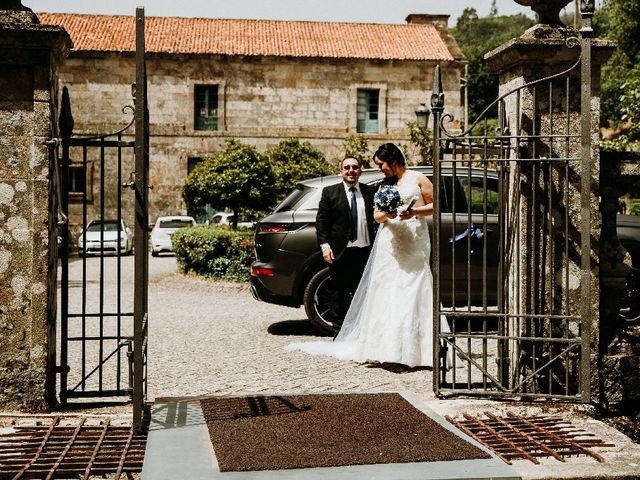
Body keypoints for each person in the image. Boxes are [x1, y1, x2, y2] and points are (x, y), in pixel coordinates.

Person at [287, 143, 449, 368]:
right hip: (389, 244)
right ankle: (387, 347)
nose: (380, 169)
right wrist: (388, 215)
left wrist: (414, 212)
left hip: (414, 240)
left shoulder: (418, 179)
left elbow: (436, 205)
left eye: (381, 164)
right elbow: (377, 216)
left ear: (392, 160)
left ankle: (418, 350)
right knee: (386, 291)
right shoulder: (383, 186)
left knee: (415, 287)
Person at [316, 156, 377, 334]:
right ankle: (339, 333)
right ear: (341, 171)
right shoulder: (330, 192)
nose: (351, 170)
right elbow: (322, 222)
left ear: (360, 171)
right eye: (347, 167)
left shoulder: (370, 191)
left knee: (363, 294)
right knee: (339, 295)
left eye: (355, 167)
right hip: (340, 253)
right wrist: (325, 246)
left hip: (365, 252)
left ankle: (360, 333)